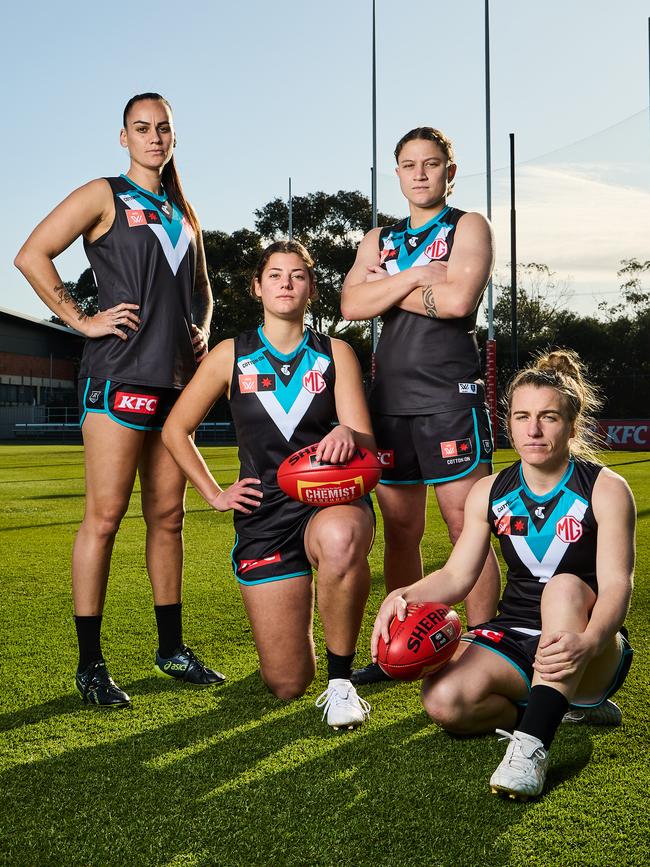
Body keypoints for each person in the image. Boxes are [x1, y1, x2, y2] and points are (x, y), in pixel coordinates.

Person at [14, 92, 223, 707]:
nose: (154, 137)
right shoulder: (105, 194)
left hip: (176, 385)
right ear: (123, 137)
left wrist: (204, 329)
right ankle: (90, 663)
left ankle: (171, 650)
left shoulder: (186, 211)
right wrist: (81, 319)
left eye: (163, 129)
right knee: (104, 519)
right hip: (118, 379)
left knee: (168, 520)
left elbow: (203, 291)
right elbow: (31, 254)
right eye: (142, 128)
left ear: (174, 137)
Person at [371, 350, 635, 800]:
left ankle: (531, 747)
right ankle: (556, 707)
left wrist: (589, 643)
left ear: (571, 424)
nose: (533, 430)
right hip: (513, 635)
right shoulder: (490, 491)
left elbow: (616, 585)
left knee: (564, 587)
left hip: (589, 644)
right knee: (444, 702)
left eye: (548, 417)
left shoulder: (606, 488)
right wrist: (405, 593)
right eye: (522, 417)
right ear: (507, 424)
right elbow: (457, 575)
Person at [162, 240, 376, 730]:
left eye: (298, 275)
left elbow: (365, 442)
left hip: (330, 499)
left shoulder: (335, 353)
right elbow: (176, 430)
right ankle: (298, 659)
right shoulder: (228, 355)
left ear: (312, 289)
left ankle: (342, 682)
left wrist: (347, 432)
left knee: (341, 541)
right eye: (276, 275)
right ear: (257, 287)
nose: (286, 283)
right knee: (286, 683)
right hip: (264, 515)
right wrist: (215, 494)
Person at [341, 126, 501, 685]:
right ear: (399, 173)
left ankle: (485, 647)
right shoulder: (377, 238)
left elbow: (457, 301)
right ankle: (400, 648)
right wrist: (414, 278)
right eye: (409, 165)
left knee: (468, 526)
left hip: (450, 401)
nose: (420, 173)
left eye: (431, 164)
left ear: (449, 172)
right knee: (401, 529)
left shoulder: (468, 226)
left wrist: (386, 288)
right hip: (389, 405)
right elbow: (350, 304)